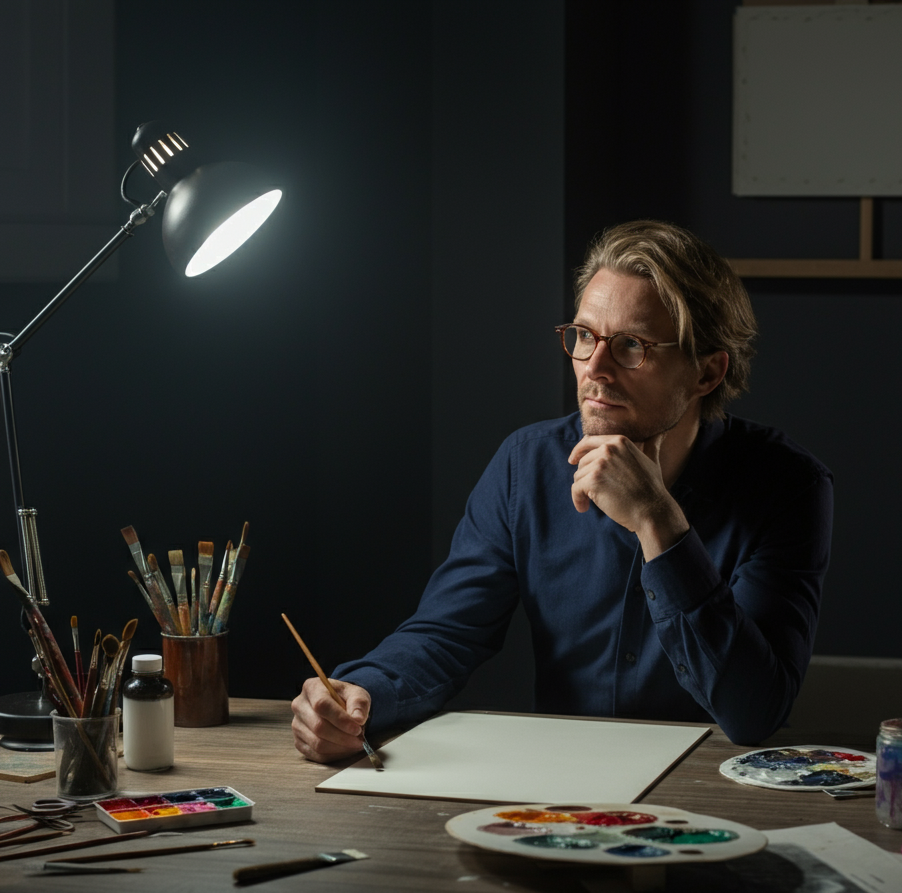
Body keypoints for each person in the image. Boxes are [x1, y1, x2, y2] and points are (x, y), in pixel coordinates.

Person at [291, 220, 833, 761]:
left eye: (631, 346)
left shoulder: (788, 487)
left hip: (716, 789)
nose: (594, 369)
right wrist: (361, 693)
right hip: (561, 787)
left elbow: (755, 713)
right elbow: (446, 633)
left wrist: (657, 521)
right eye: (583, 337)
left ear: (707, 373)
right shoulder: (524, 465)